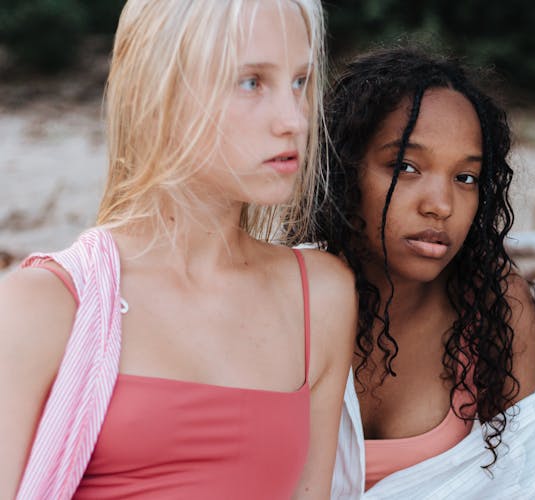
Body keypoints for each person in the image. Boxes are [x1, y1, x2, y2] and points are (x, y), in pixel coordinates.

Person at [0, 1, 356, 498]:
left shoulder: (319, 295)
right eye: (252, 81)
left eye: (300, 81)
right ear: (160, 89)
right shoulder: (45, 305)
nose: (294, 119)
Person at [307, 47, 535, 498]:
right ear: (344, 170)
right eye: (406, 167)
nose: (440, 205)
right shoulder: (286, 294)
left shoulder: (493, 306)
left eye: (465, 178)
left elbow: (525, 484)